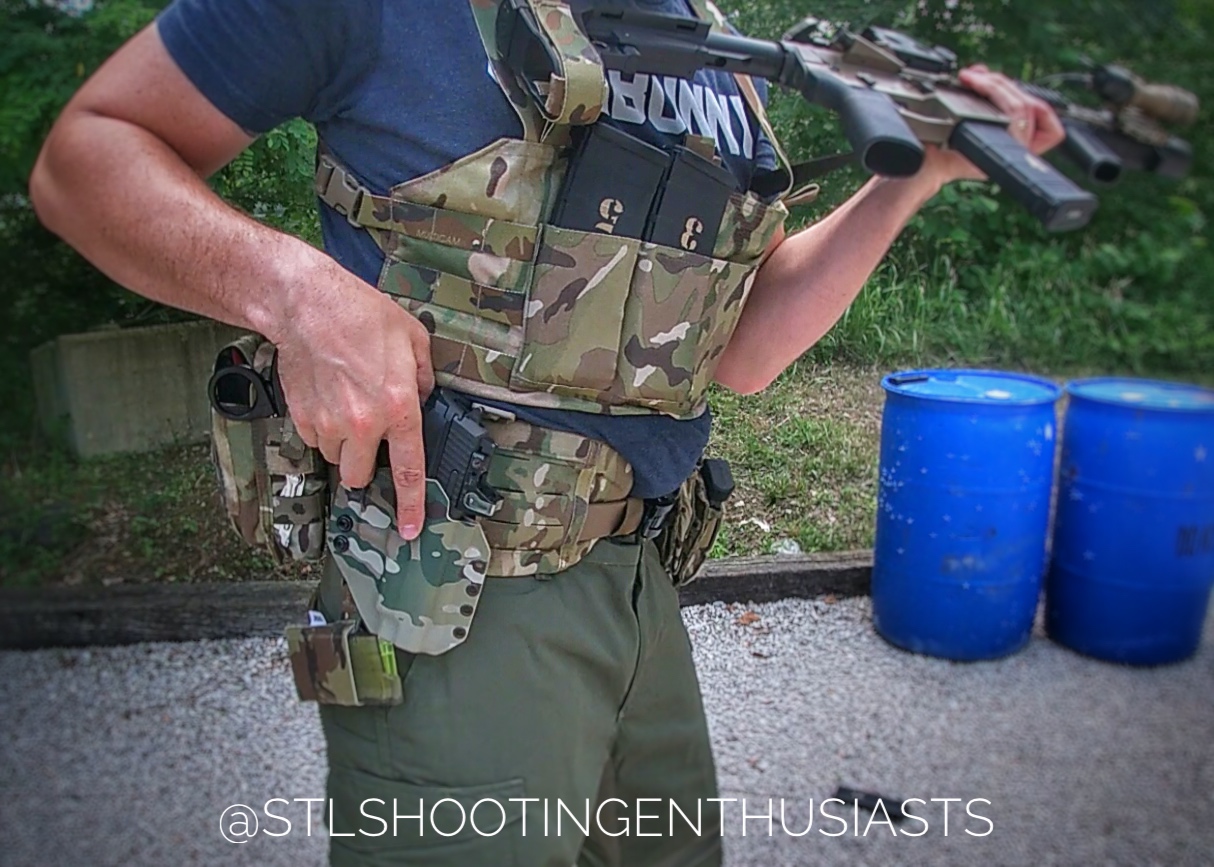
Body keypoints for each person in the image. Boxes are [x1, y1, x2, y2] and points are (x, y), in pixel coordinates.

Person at [29, 0, 1063, 863]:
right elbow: (85, 161)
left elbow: (739, 346)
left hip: (640, 586)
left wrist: (910, 178)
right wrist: (295, 292)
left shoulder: (701, 30)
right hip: (448, 597)